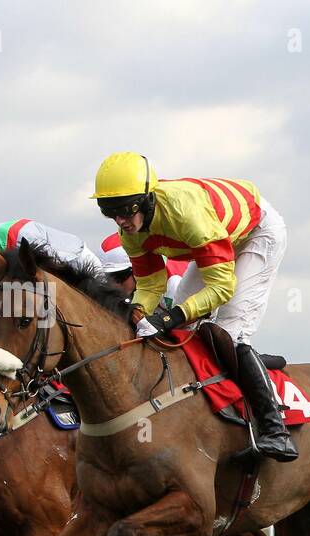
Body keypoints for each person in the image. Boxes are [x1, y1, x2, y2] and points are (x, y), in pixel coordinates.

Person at [90, 152, 296, 462]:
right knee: (183, 328)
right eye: (111, 214)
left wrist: (170, 316)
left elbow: (222, 287)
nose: (120, 221)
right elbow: (150, 285)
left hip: (256, 234)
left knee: (230, 330)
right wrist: (135, 313)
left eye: (125, 212)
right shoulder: (130, 232)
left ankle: (275, 430)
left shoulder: (186, 214)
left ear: (146, 201)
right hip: (216, 238)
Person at [99, 232, 190, 304]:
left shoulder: (173, 283)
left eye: (119, 277)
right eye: (108, 277)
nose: (114, 284)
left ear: (138, 271)